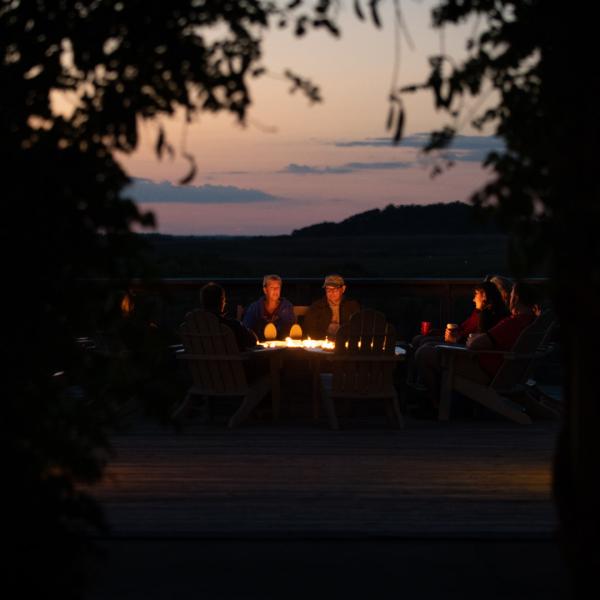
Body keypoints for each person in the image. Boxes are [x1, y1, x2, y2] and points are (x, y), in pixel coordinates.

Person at [415, 281, 539, 413]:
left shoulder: (513, 323)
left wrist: (468, 339)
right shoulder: (530, 322)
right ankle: (433, 402)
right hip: (504, 372)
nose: (508, 299)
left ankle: (436, 404)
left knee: (424, 353)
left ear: (516, 299)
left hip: (485, 372)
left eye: (511, 295)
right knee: (428, 347)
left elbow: (476, 344)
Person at [199, 282, 258, 351]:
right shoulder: (231, 326)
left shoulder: (194, 327)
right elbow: (252, 341)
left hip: (199, 362)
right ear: (222, 301)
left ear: (202, 302)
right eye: (224, 300)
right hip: (230, 361)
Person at [303, 274, 360, 339]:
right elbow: (309, 329)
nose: (331, 293)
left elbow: (358, 327)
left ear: (343, 289)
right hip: (323, 342)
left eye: (335, 289)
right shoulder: (317, 307)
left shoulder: (352, 306)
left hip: (345, 342)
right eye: (328, 290)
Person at [242, 274, 296, 341]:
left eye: (277, 288)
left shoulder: (287, 307)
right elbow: (246, 329)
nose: (275, 290)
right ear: (265, 290)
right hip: (259, 346)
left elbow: (292, 329)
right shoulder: (255, 308)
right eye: (272, 288)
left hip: (282, 346)